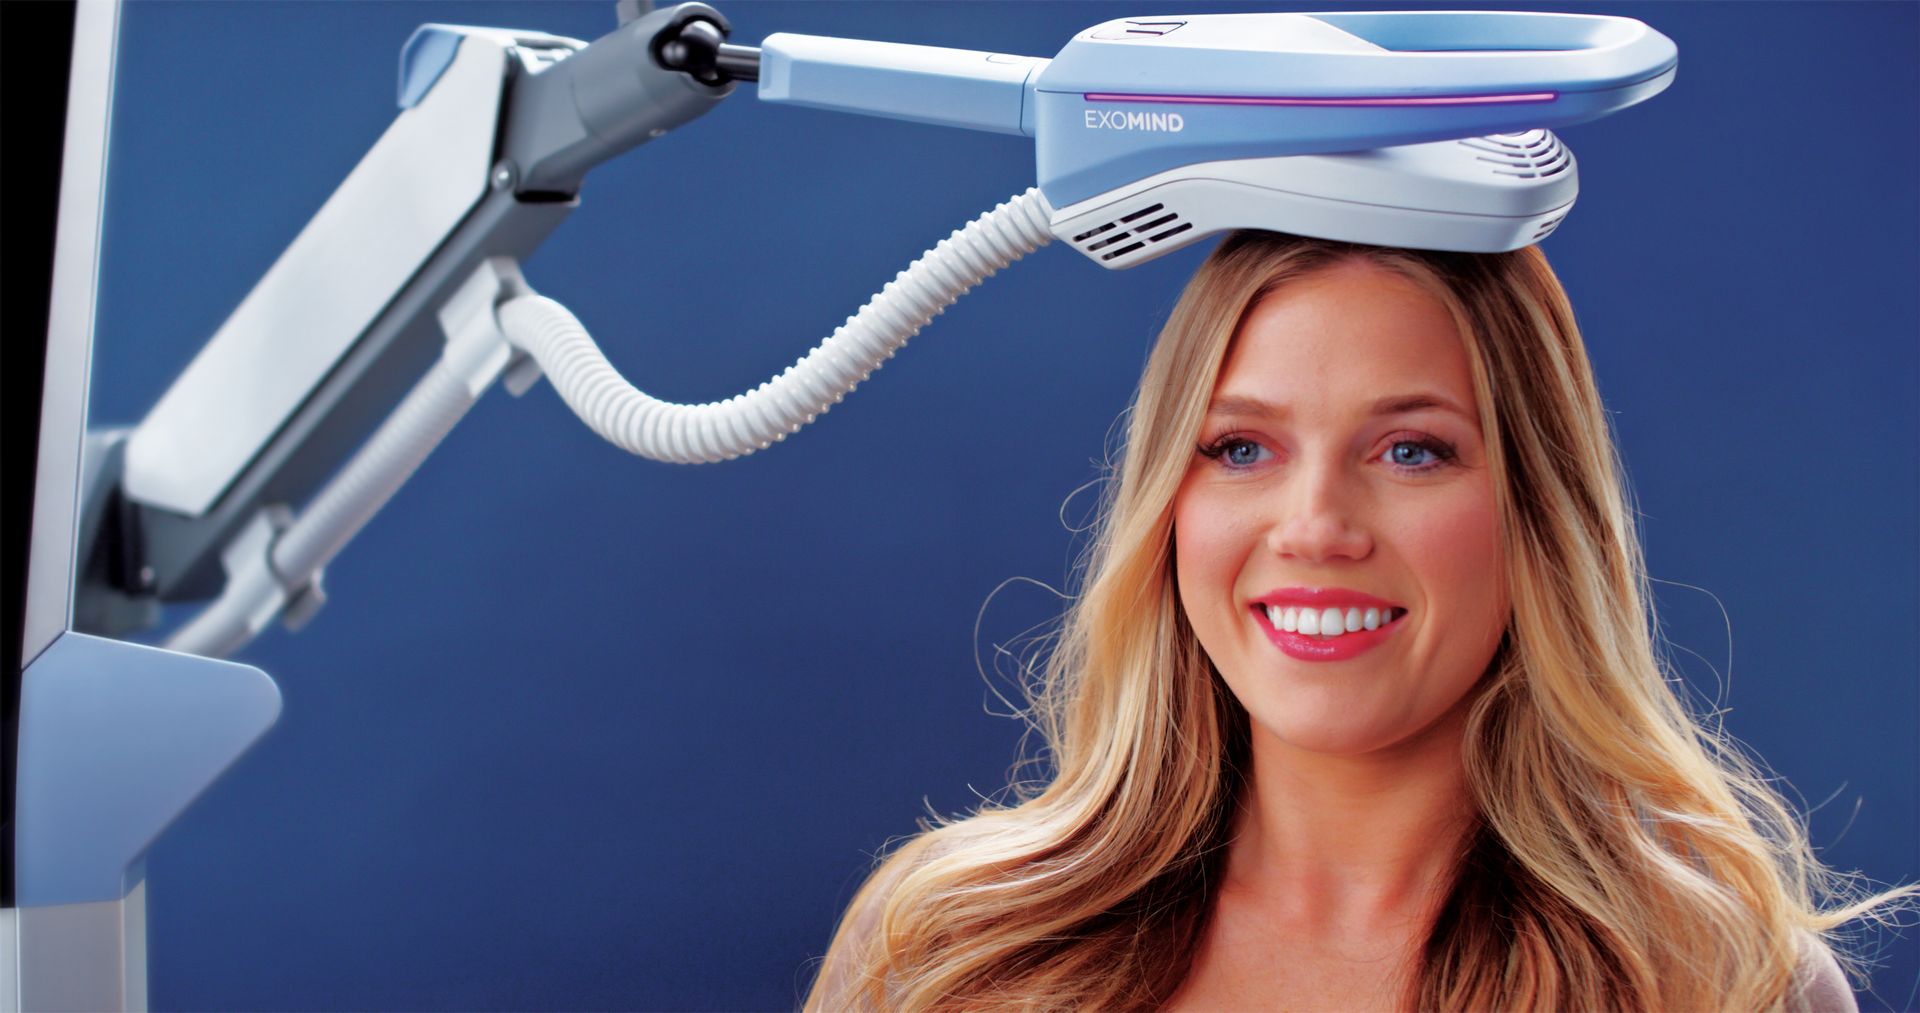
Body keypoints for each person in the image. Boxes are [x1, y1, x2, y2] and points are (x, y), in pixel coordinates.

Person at [803, 230, 1906, 1011]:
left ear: (1535, 506)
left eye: (1411, 449)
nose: (1316, 524)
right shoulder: (948, 945)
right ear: (1167, 505)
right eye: (1241, 447)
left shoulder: (1717, 983)